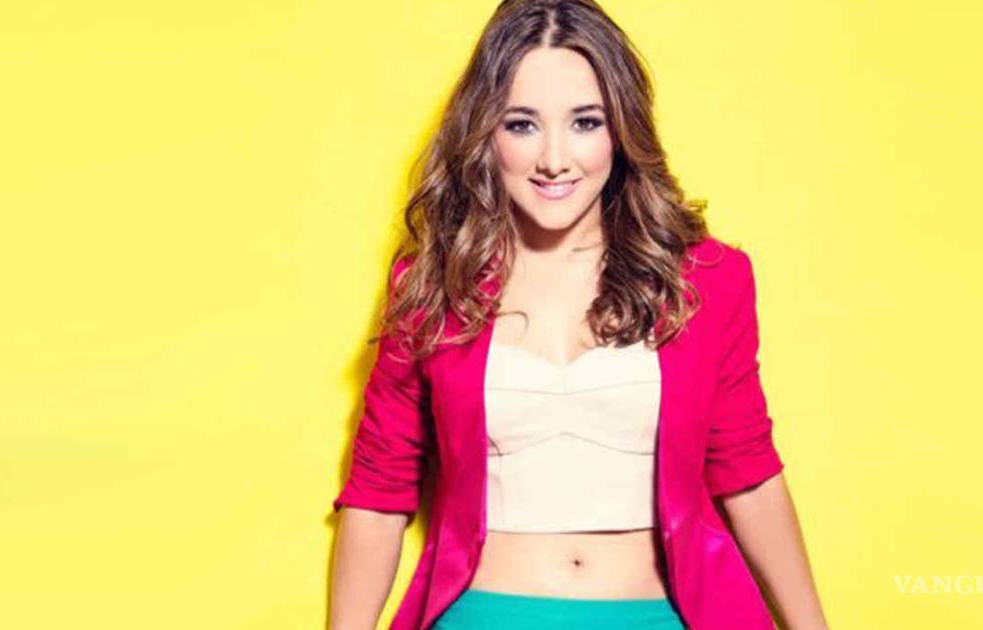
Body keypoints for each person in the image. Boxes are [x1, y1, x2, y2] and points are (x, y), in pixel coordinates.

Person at [328, 1, 829, 629]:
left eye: (586, 122)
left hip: (655, 615)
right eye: (521, 124)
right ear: (484, 132)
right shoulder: (433, 283)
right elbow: (380, 490)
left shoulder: (707, 280)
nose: (554, 159)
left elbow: (747, 472)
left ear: (621, 130)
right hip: (486, 613)